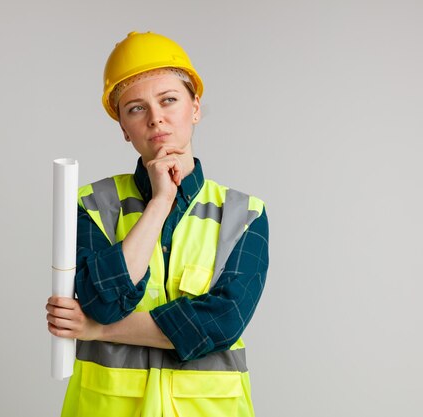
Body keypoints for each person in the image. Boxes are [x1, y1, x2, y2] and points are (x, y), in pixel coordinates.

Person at [46, 31, 269, 417]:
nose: (156, 118)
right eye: (135, 108)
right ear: (123, 127)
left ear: (195, 107)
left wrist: (99, 332)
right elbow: (103, 302)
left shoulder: (243, 213)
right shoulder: (92, 204)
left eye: (169, 100)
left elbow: (221, 322)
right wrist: (160, 201)